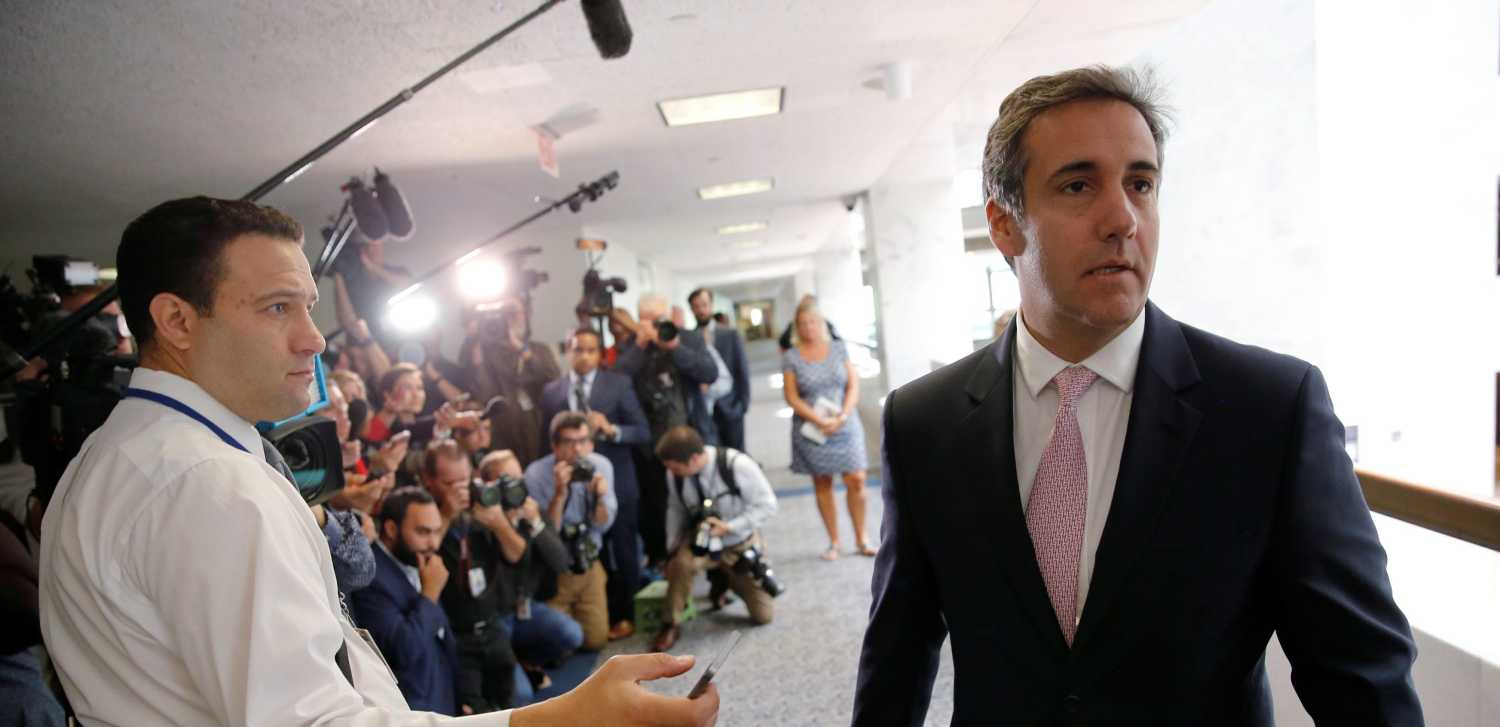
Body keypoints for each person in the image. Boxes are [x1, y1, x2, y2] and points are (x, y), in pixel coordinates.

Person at [852, 66, 1422, 726]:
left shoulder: (1268, 410)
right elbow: (897, 655)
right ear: (1005, 226)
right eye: (1078, 184)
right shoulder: (925, 422)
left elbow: (1360, 675)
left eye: (1141, 183)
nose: (1122, 218)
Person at [37, 195, 719, 726]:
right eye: (277, 307)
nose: (311, 338)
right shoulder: (208, 484)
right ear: (178, 321)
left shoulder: (120, 453)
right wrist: (567, 715)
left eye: (308, 306)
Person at [540, 328, 651, 641]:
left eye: (591, 350)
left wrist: (612, 430)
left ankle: (626, 613)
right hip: (571, 492)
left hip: (616, 481)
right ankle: (596, 613)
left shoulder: (618, 383)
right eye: (578, 349)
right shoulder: (552, 392)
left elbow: (642, 431)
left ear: (600, 354)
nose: (584, 355)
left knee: (624, 550)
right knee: (589, 551)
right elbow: (544, 441)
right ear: (568, 351)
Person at [613, 293, 719, 568]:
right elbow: (615, 381)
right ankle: (667, 562)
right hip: (652, 447)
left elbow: (709, 373)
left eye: (659, 320)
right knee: (660, 507)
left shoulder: (687, 338)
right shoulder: (633, 347)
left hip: (692, 436)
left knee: (707, 500)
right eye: (648, 321)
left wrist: (675, 346)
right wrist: (639, 346)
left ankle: (717, 566)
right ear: (640, 321)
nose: (655, 326)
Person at [652, 427, 779, 653]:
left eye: (676, 468)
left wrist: (730, 527)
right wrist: (671, 550)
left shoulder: (737, 466)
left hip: (738, 543)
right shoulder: (674, 475)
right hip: (701, 543)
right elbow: (675, 510)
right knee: (680, 565)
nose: (671, 472)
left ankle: (724, 578)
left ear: (693, 459)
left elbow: (768, 506)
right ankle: (670, 622)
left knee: (763, 616)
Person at [475, 450, 585, 701]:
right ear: (489, 486)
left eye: (519, 479)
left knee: (572, 635)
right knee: (521, 694)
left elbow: (561, 563)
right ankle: (510, 664)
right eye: (507, 481)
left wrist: (536, 523)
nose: (516, 487)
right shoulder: (480, 522)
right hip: (494, 619)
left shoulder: (530, 511)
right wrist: (499, 524)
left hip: (525, 609)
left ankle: (524, 661)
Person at [351, 487, 461, 715]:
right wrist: (429, 595)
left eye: (437, 532)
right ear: (391, 529)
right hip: (412, 711)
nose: (433, 543)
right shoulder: (370, 576)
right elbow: (404, 650)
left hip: (441, 698)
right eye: (423, 532)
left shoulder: (420, 562)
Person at [782, 299, 872, 561]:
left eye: (812, 322)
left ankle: (862, 537)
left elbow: (853, 386)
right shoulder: (791, 356)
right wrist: (819, 420)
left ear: (820, 324)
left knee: (857, 479)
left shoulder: (838, 348)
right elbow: (791, 397)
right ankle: (834, 541)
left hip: (844, 422)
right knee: (823, 482)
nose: (808, 327)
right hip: (812, 427)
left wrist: (843, 414)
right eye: (803, 324)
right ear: (797, 328)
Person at [522, 412, 617, 652]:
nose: (577, 450)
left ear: (592, 444)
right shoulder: (535, 474)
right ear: (555, 446)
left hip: (588, 560)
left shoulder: (602, 466)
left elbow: (603, 525)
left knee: (596, 640)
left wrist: (599, 498)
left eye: (583, 441)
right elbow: (546, 533)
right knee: (560, 643)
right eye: (569, 442)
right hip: (555, 567)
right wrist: (559, 493)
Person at [465, 300, 562, 469]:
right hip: (504, 434)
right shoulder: (484, 354)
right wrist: (478, 360)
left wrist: (522, 350)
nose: (508, 320)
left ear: (526, 315)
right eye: (503, 315)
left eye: (512, 313)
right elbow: (483, 396)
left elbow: (554, 382)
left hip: (540, 429)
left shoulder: (539, 350)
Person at [688, 289, 751, 454]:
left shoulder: (729, 334)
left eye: (704, 305)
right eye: (696, 306)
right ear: (692, 309)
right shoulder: (689, 337)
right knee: (713, 454)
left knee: (737, 454)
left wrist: (743, 404)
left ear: (711, 305)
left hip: (731, 405)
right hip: (705, 410)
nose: (701, 310)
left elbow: (741, 369)